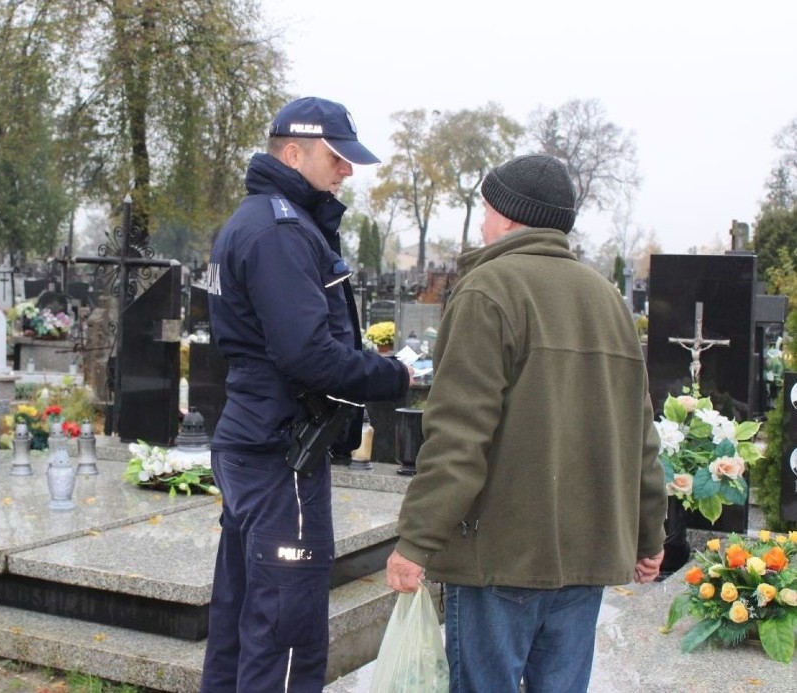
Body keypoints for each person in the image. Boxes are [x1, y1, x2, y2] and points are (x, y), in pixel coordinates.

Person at [385, 154, 666, 693]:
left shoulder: (489, 291)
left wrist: (416, 541)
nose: (484, 224)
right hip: (587, 559)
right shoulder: (607, 300)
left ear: (511, 217)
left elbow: (458, 437)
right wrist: (649, 535)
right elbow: (641, 437)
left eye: (487, 211)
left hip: (500, 559)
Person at [202, 96, 411, 692]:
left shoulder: (261, 220)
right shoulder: (280, 230)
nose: (347, 171)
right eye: (336, 158)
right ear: (293, 153)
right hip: (280, 451)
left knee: (242, 620)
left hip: (257, 438)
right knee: (286, 632)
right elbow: (307, 355)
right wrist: (394, 377)